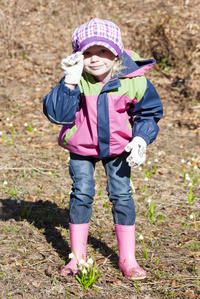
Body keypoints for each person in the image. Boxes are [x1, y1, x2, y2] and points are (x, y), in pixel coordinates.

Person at [43, 18, 163, 280]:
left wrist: (142, 138)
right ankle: (77, 257)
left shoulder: (134, 81)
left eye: (102, 51)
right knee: (82, 193)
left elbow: (149, 114)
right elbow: (57, 115)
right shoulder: (77, 79)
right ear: (78, 56)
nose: (94, 58)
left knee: (121, 195)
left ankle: (127, 258)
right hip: (82, 148)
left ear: (116, 52)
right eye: (87, 53)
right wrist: (69, 83)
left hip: (120, 148)